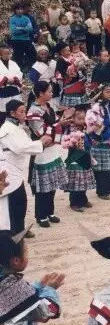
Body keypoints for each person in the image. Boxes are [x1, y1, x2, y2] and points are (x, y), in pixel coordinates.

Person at [0, 227, 64, 325]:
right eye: (26, 252)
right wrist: (50, 290)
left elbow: (18, 303)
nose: (27, 255)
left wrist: (38, 287)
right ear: (16, 261)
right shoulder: (12, 287)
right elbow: (47, 312)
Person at [0, 101, 49, 235]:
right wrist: (40, 143)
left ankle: (19, 229)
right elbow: (20, 148)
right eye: (21, 111)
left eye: (24, 111)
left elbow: (25, 144)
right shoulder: (6, 129)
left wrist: (39, 144)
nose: (24, 114)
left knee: (20, 201)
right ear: (12, 113)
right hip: (8, 169)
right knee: (13, 202)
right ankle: (14, 232)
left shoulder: (17, 127)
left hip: (16, 168)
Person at [27, 82, 71, 228]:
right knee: (43, 186)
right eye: (49, 91)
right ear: (41, 93)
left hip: (52, 150)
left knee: (51, 184)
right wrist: (59, 125)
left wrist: (63, 121)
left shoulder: (48, 106)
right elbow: (42, 133)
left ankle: (50, 212)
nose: (52, 93)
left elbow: (54, 124)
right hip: (42, 153)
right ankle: (41, 215)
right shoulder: (33, 111)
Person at [0, 45, 23, 127]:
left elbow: (19, 74)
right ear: (1, 53)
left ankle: (16, 125)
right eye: (5, 53)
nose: (8, 55)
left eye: (9, 53)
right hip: (2, 91)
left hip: (14, 89)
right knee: (3, 110)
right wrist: (6, 79)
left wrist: (15, 79)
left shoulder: (13, 63)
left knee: (15, 108)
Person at [8, 1, 34, 71]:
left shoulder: (27, 18)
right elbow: (14, 31)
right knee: (18, 57)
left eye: (21, 9)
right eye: (18, 9)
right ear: (15, 10)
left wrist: (19, 28)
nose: (20, 11)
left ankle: (29, 69)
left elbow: (30, 29)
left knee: (31, 55)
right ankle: (19, 71)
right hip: (16, 40)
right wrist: (24, 28)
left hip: (26, 40)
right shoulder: (12, 19)